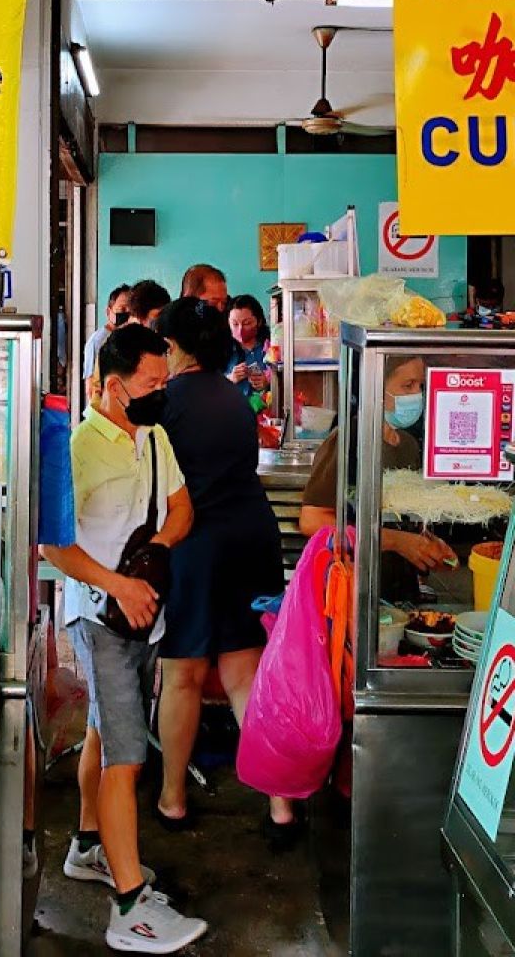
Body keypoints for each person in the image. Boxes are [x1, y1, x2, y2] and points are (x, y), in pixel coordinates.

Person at [40, 323, 207, 954]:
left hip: (146, 616)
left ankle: (89, 846)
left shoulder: (156, 437)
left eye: (165, 380)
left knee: (103, 730)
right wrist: (118, 584)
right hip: (100, 619)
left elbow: (182, 508)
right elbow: (54, 546)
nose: (163, 391)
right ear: (115, 386)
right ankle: (131, 909)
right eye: (152, 382)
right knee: (128, 754)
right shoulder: (78, 448)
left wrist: (155, 551)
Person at [153, 298, 294, 846]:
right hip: (252, 537)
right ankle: (281, 805)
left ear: (172, 347)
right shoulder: (234, 397)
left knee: (183, 675)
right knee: (245, 673)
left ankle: (172, 799)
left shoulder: (165, 402)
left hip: (195, 545)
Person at [300, 354, 453, 601]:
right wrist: (397, 542)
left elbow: (403, 517)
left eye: (420, 386)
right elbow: (312, 521)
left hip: (396, 590)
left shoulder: (408, 445)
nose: (417, 395)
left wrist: (427, 547)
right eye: (407, 386)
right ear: (377, 389)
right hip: (353, 589)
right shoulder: (348, 440)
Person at [83, 284, 131, 403]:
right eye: (122, 309)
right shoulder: (97, 341)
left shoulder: (129, 338)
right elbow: (91, 386)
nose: (127, 314)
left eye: (131, 310)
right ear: (108, 312)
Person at [226, 293, 270, 401]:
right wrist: (229, 379)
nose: (240, 330)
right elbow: (208, 385)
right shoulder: (222, 349)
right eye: (235, 324)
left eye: (247, 323)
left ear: (259, 321)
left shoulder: (270, 347)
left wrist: (269, 382)